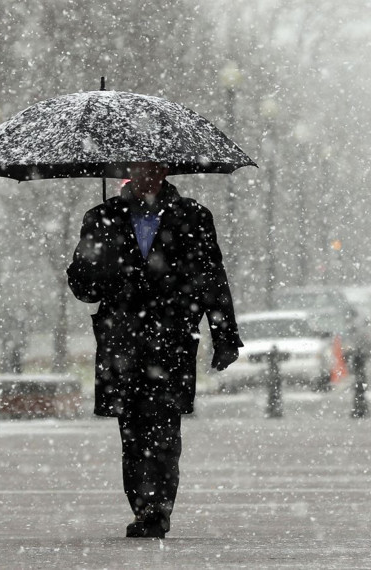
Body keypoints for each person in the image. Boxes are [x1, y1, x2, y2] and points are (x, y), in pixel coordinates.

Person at [67, 162, 242, 538]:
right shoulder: (101, 218)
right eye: (138, 166)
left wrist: (225, 334)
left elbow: (212, 277)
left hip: (171, 341)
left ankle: (157, 510)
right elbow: (83, 287)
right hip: (122, 343)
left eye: (153, 166)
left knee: (164, 430)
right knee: (132, 432)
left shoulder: (193, 216)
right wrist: (102, 267)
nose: (146, 173)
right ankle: (143, 506)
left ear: (165, 169)